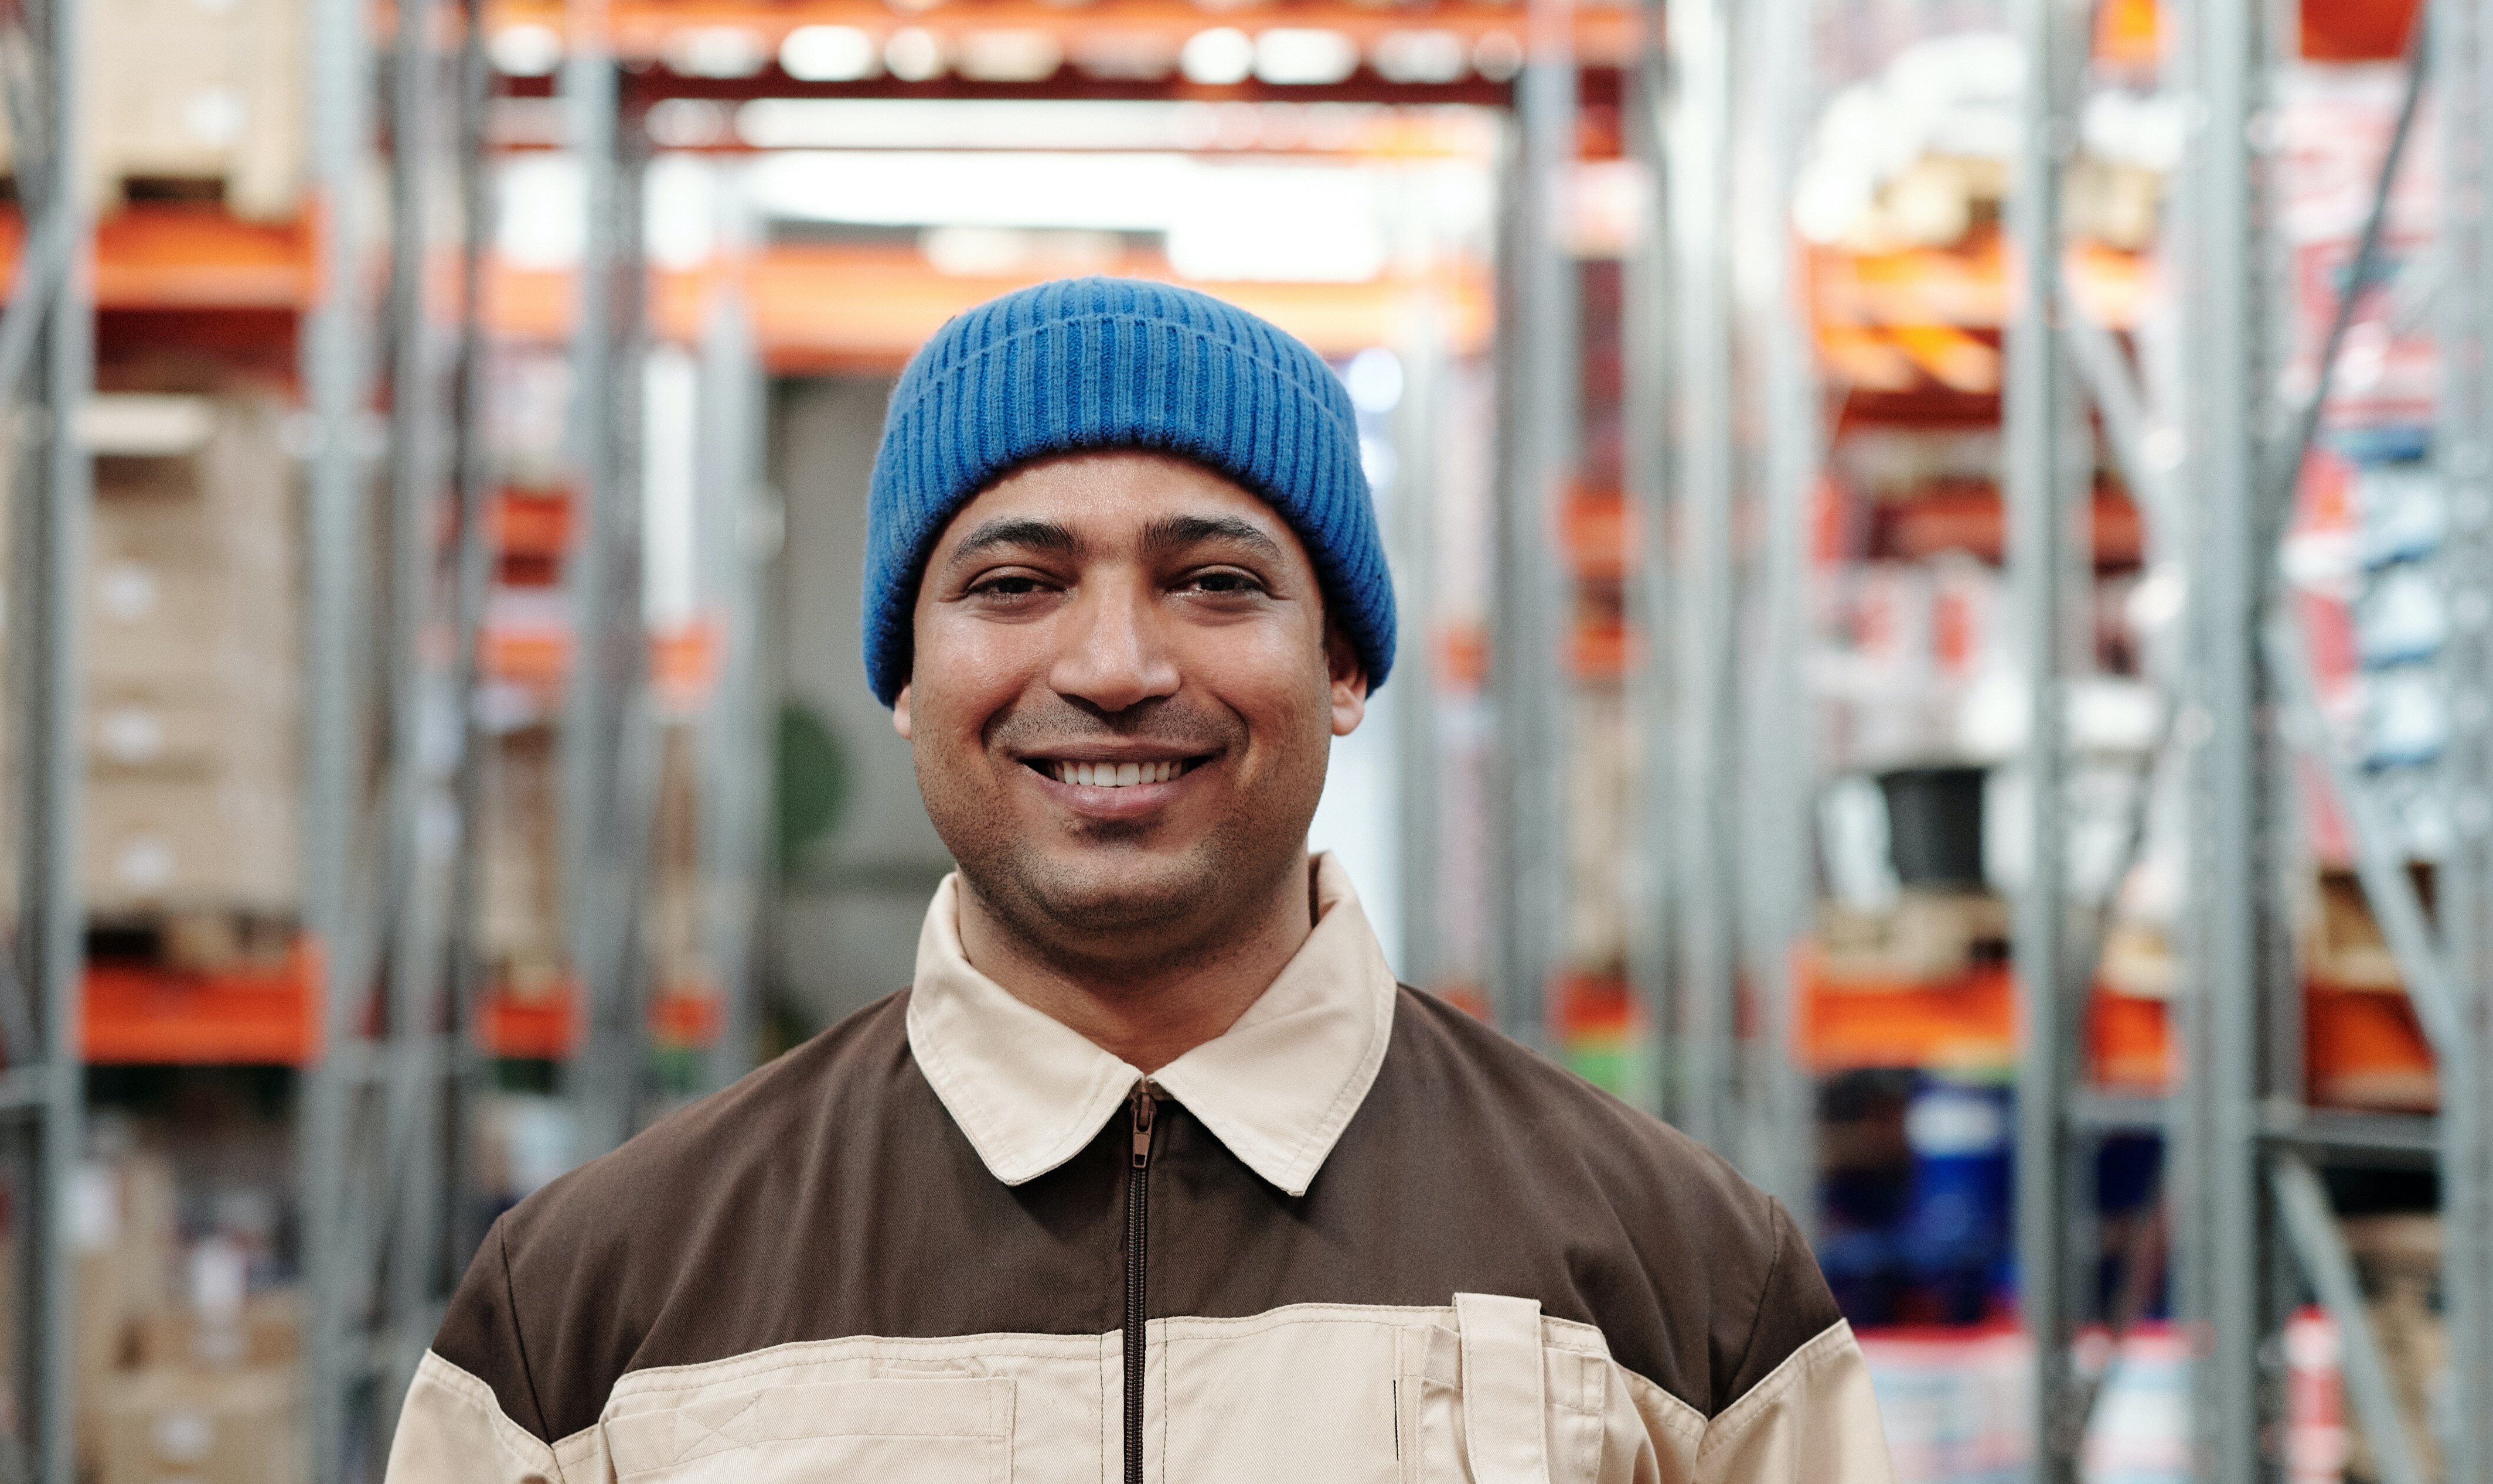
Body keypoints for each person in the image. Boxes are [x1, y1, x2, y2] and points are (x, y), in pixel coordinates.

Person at [387, 278, 1894, 1483]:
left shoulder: (1683, 1280)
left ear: (1345, 664)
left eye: (1214, 581)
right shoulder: (596, 1300)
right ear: (905, 677)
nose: (1114, 666)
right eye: (1014, 584)